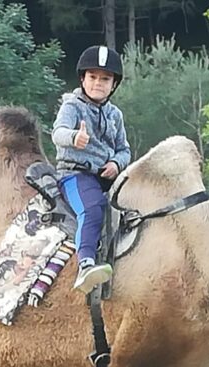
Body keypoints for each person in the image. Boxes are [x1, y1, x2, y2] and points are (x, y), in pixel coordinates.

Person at [52, 45, 131, 294]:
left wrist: (116, 163)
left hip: (107, 177)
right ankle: (85, 264)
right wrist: (74, 137)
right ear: (82, 79)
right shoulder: (72, 107)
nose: (98, 83)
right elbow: (57, 133)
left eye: (105, 79)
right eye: (93, 77)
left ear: (114, 84)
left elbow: (124, 149)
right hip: (76, 174)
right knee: (92, 208)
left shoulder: (115, 115)